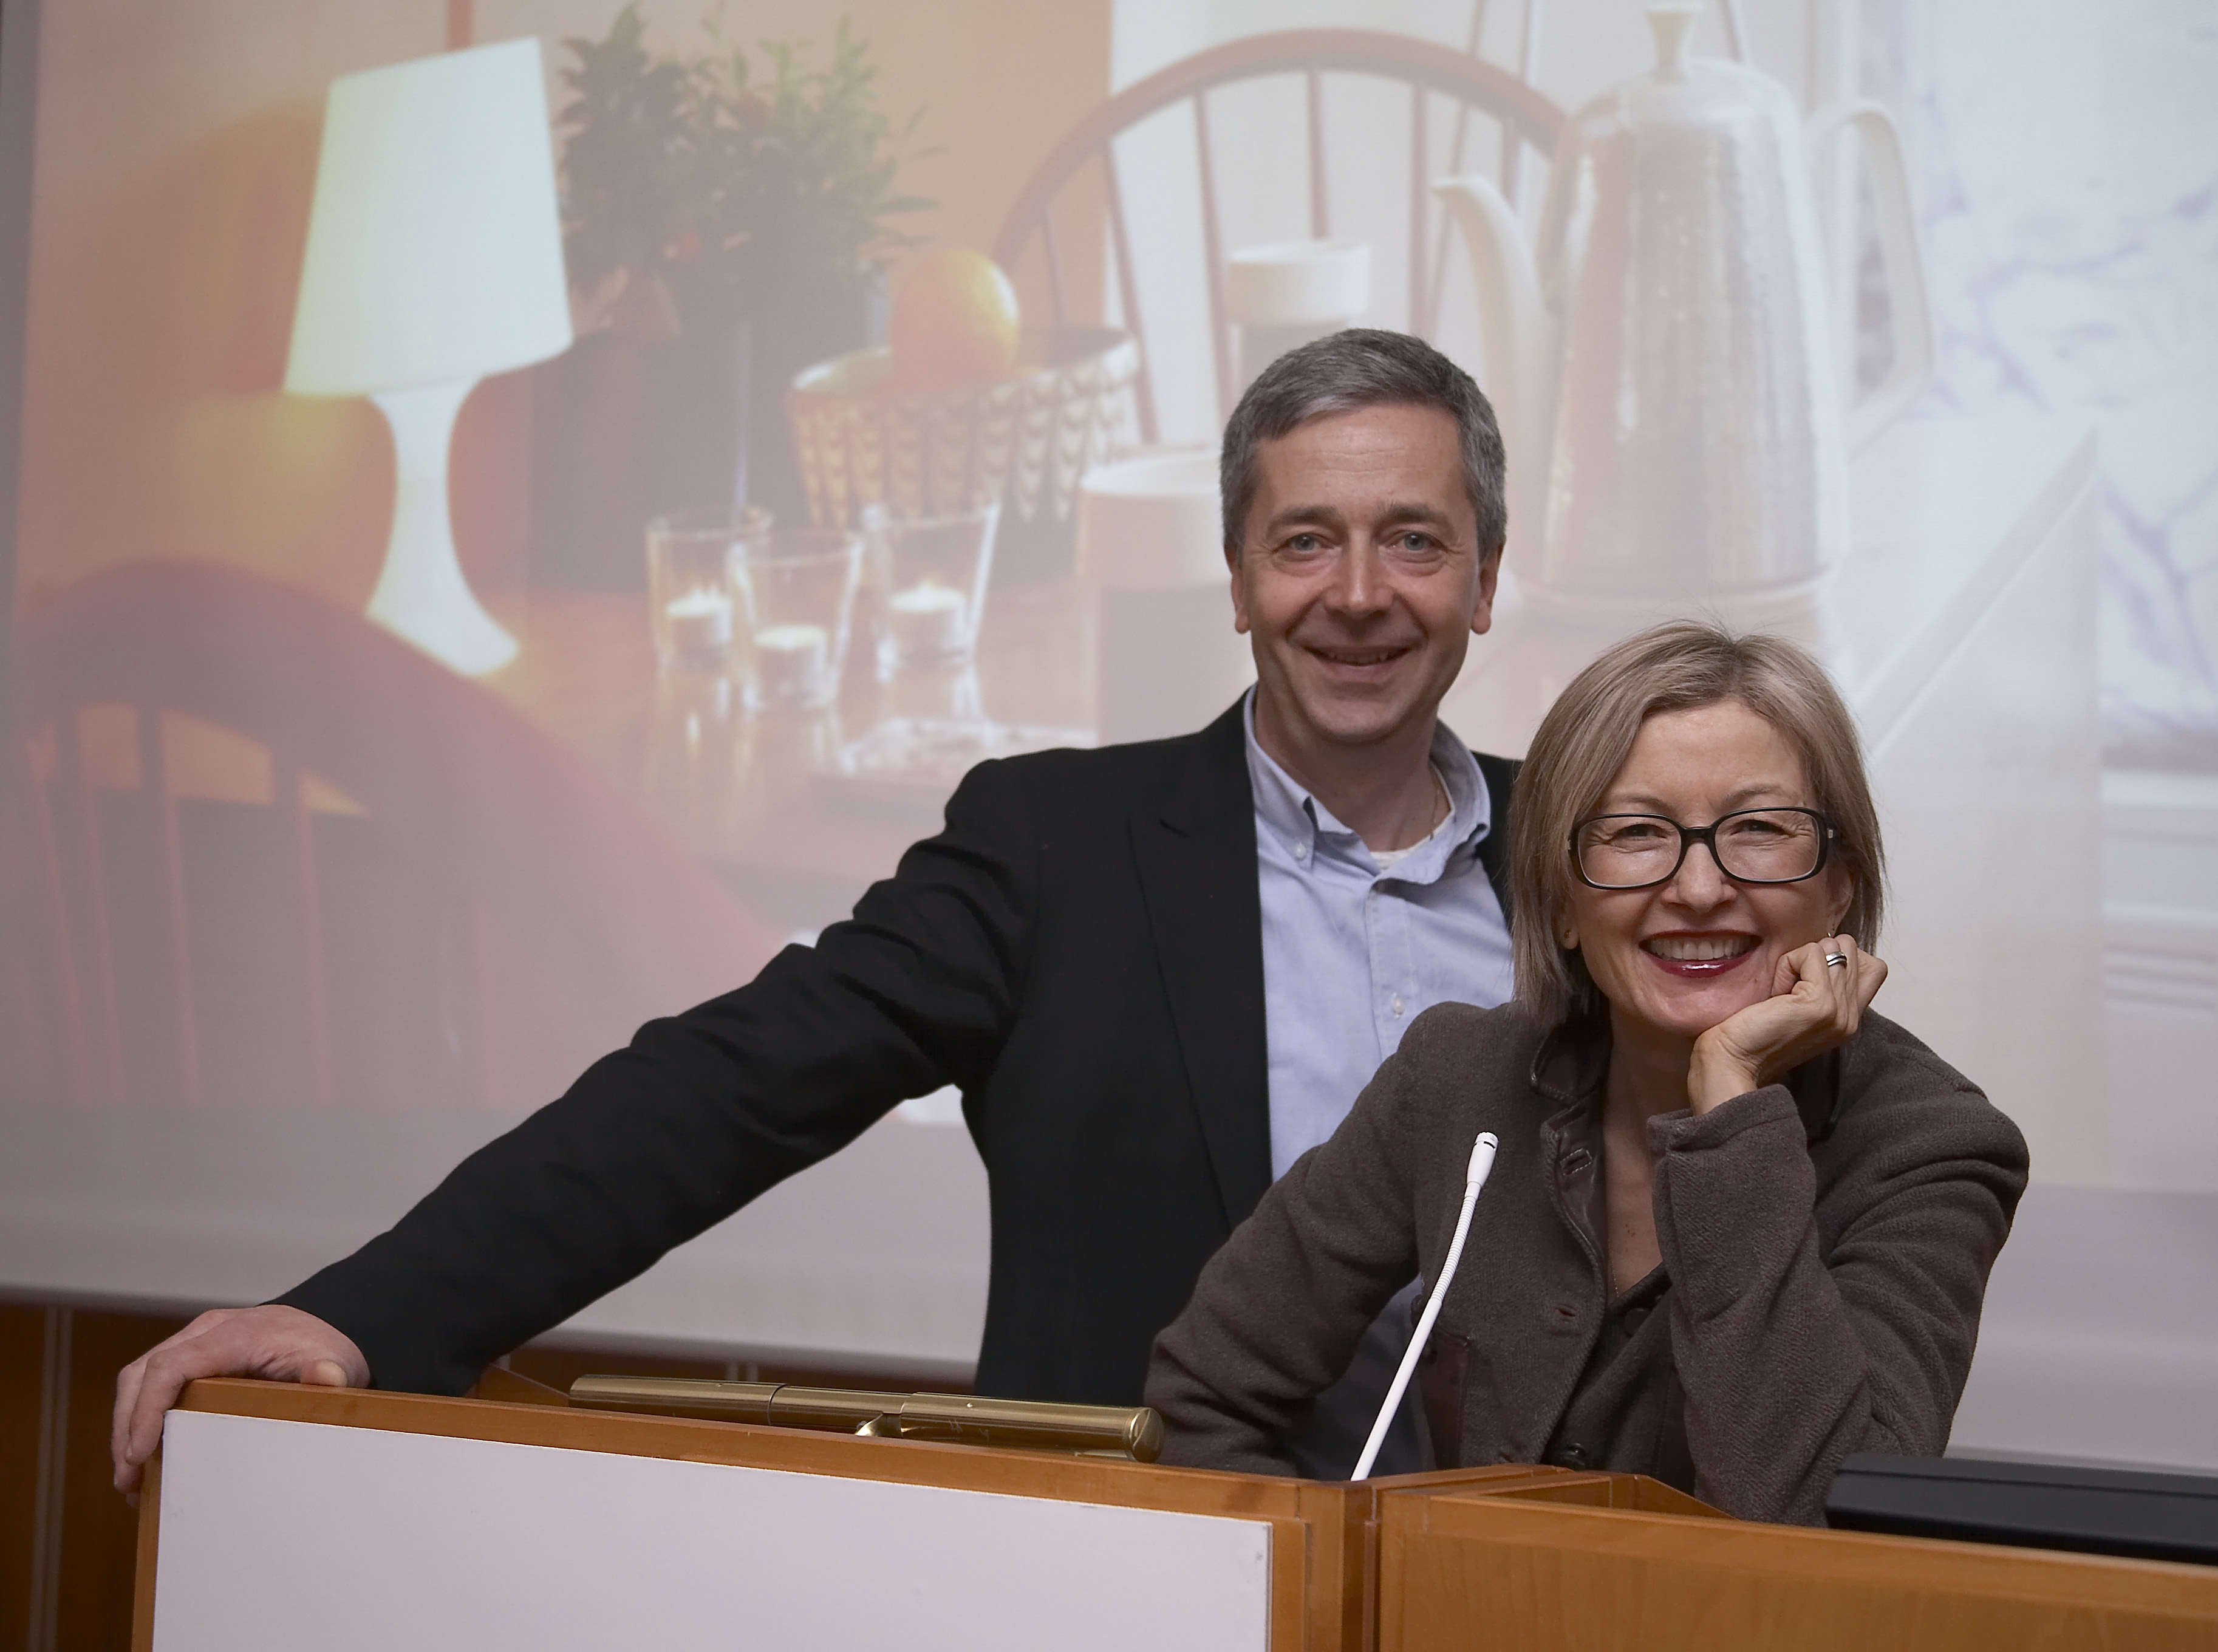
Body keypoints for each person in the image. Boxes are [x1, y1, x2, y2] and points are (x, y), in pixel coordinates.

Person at [112, 329, 1523, 1492]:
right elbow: (720, 1091)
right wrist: (360, 1311)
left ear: (1482, 581)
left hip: (1531, 1585)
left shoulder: (1585, 867)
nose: (1356, 595)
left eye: (1411, 540)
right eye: (1302, 541)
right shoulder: (1059, 851)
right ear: (1234, 581)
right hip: (1130, 1580)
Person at [1144, 623, 2030, 1525]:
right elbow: (1204, 1397)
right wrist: (1320, 1583)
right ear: (1562, 900)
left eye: (1759, 829)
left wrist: (1731, 1098)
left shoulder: (1935, 1149)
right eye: (1636, 832)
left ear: (1839, 884)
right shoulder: (1454, 1078)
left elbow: (1813, 1528)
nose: (1698, 889)